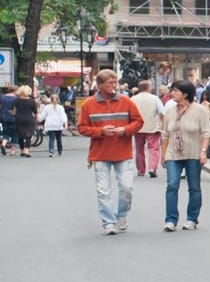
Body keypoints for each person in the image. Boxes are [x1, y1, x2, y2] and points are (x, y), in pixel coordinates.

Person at [75, 67, 142, 234]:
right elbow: (81, 128)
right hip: (99, 153)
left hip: (123, 152)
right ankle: (108, 222)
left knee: (127, 188)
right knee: (103, 190)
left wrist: (126, 130)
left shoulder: (126, 101)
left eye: (115, 82)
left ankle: (122, 214)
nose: (114, 86)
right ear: (99, 85)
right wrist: (100, 132)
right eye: (110, 83)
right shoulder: (89, 104)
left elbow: (138, 121)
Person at [160, 80, 210, 232]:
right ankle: (170, 219)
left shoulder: (199, 110)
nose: (172, 94)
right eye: (172, 90)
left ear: (185, 94)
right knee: (172, 185)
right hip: (173, 152)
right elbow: (165, 134)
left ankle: (191, 218)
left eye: (176, 91)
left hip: (193, 152)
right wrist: (163, 155)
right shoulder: (170, 110)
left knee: (194, 187)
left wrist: (203, 151)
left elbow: (206, 132)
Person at [129, 80, 164, 179]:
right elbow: (162, 112)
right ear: (149, 88)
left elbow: (129, 113)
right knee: (154, 149)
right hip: (152, 127)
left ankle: (141, 170)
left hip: (138, 127)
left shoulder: (133, 99)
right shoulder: (155, 98)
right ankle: (152, 168)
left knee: (139, 150)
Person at [10, 87, 36, 156]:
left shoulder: (16, 100)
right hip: (29, 119)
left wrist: (14, 114)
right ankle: (26, 150)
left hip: (18, 119)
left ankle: (22, 150)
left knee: (20, 136)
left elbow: (10, 110)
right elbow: (35, 112)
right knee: (28, 135)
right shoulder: (31, 101)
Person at [39, 92, 67, 156]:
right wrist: (65, 123)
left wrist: (39, 119)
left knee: (51, 138)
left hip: (50, 124)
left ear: (50, 100)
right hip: (58, 124)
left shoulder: (47, 107)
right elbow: (63, 116)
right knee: (58, 138)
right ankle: (60, 151)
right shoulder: (60, 107)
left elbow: (43, 115)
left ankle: (51, 151)